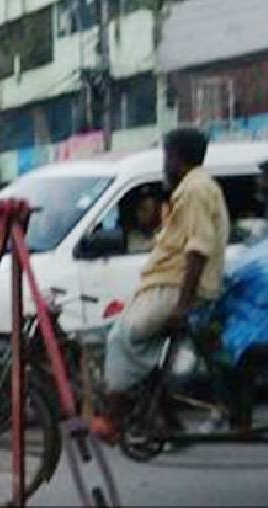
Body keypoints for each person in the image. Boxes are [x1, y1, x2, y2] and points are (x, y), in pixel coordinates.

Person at [94, 129, 231, 442]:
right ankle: (163, 418)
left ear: (175, 157)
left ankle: (115, 417)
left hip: (176, 287)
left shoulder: (196, 189)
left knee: (122, 337)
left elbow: (198, 248)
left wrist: (183, 305)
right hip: (167, 283)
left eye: (166, 156)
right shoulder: (193, 188)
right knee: (134, 342)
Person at [125, 186, 163, 253]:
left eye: (145, 209)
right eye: (140, 209)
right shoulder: (134, 235)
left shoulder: (165, 230)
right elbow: (135, 249)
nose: (140, 214)